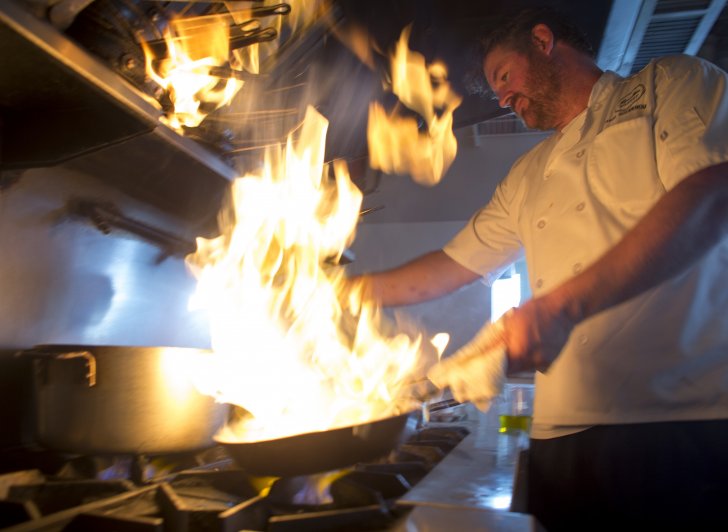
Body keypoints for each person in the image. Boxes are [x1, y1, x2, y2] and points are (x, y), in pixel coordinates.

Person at [360, 6, 728, 530]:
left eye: (504, 76)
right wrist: (341, 291)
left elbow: (710, 194)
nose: (503, 97)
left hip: (674, 421)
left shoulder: (669, 84)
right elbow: (451, 264)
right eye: (496, 90)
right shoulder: (528, 174)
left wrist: (561, 305)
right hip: (560, 436)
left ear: (542, 40)